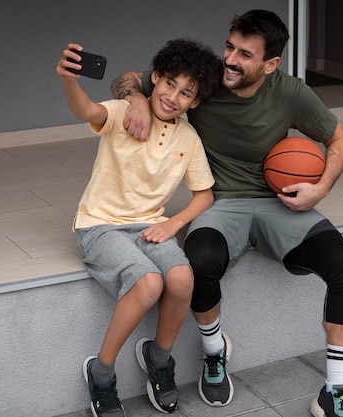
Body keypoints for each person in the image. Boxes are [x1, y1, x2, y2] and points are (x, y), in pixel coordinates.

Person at [110, 9, 343, 417]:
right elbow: (133, 79)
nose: (230, 59)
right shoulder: (207, 80)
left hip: (278, 202)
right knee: (200, 261)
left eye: (245, 54)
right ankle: (214, 353)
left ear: (270, 64)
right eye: (230, 46)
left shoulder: (291, 92)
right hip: (219, 202)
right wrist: (136, 98)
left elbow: (338, 137)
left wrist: (322, 187)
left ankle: (336, 390)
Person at [57, 38, 222, 417]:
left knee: (181, 276)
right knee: (149, 282)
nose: (173, 97)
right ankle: (100, 373)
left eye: (186, 93)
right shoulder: (123, 113)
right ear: (156, 78)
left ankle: (159, 359)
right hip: (100, 225)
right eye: (169, 84)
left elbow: (204, 194)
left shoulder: (188, 138)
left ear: (194, 103)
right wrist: (70, 81)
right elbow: (87, 109)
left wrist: (174, 224)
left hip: (149, 225)